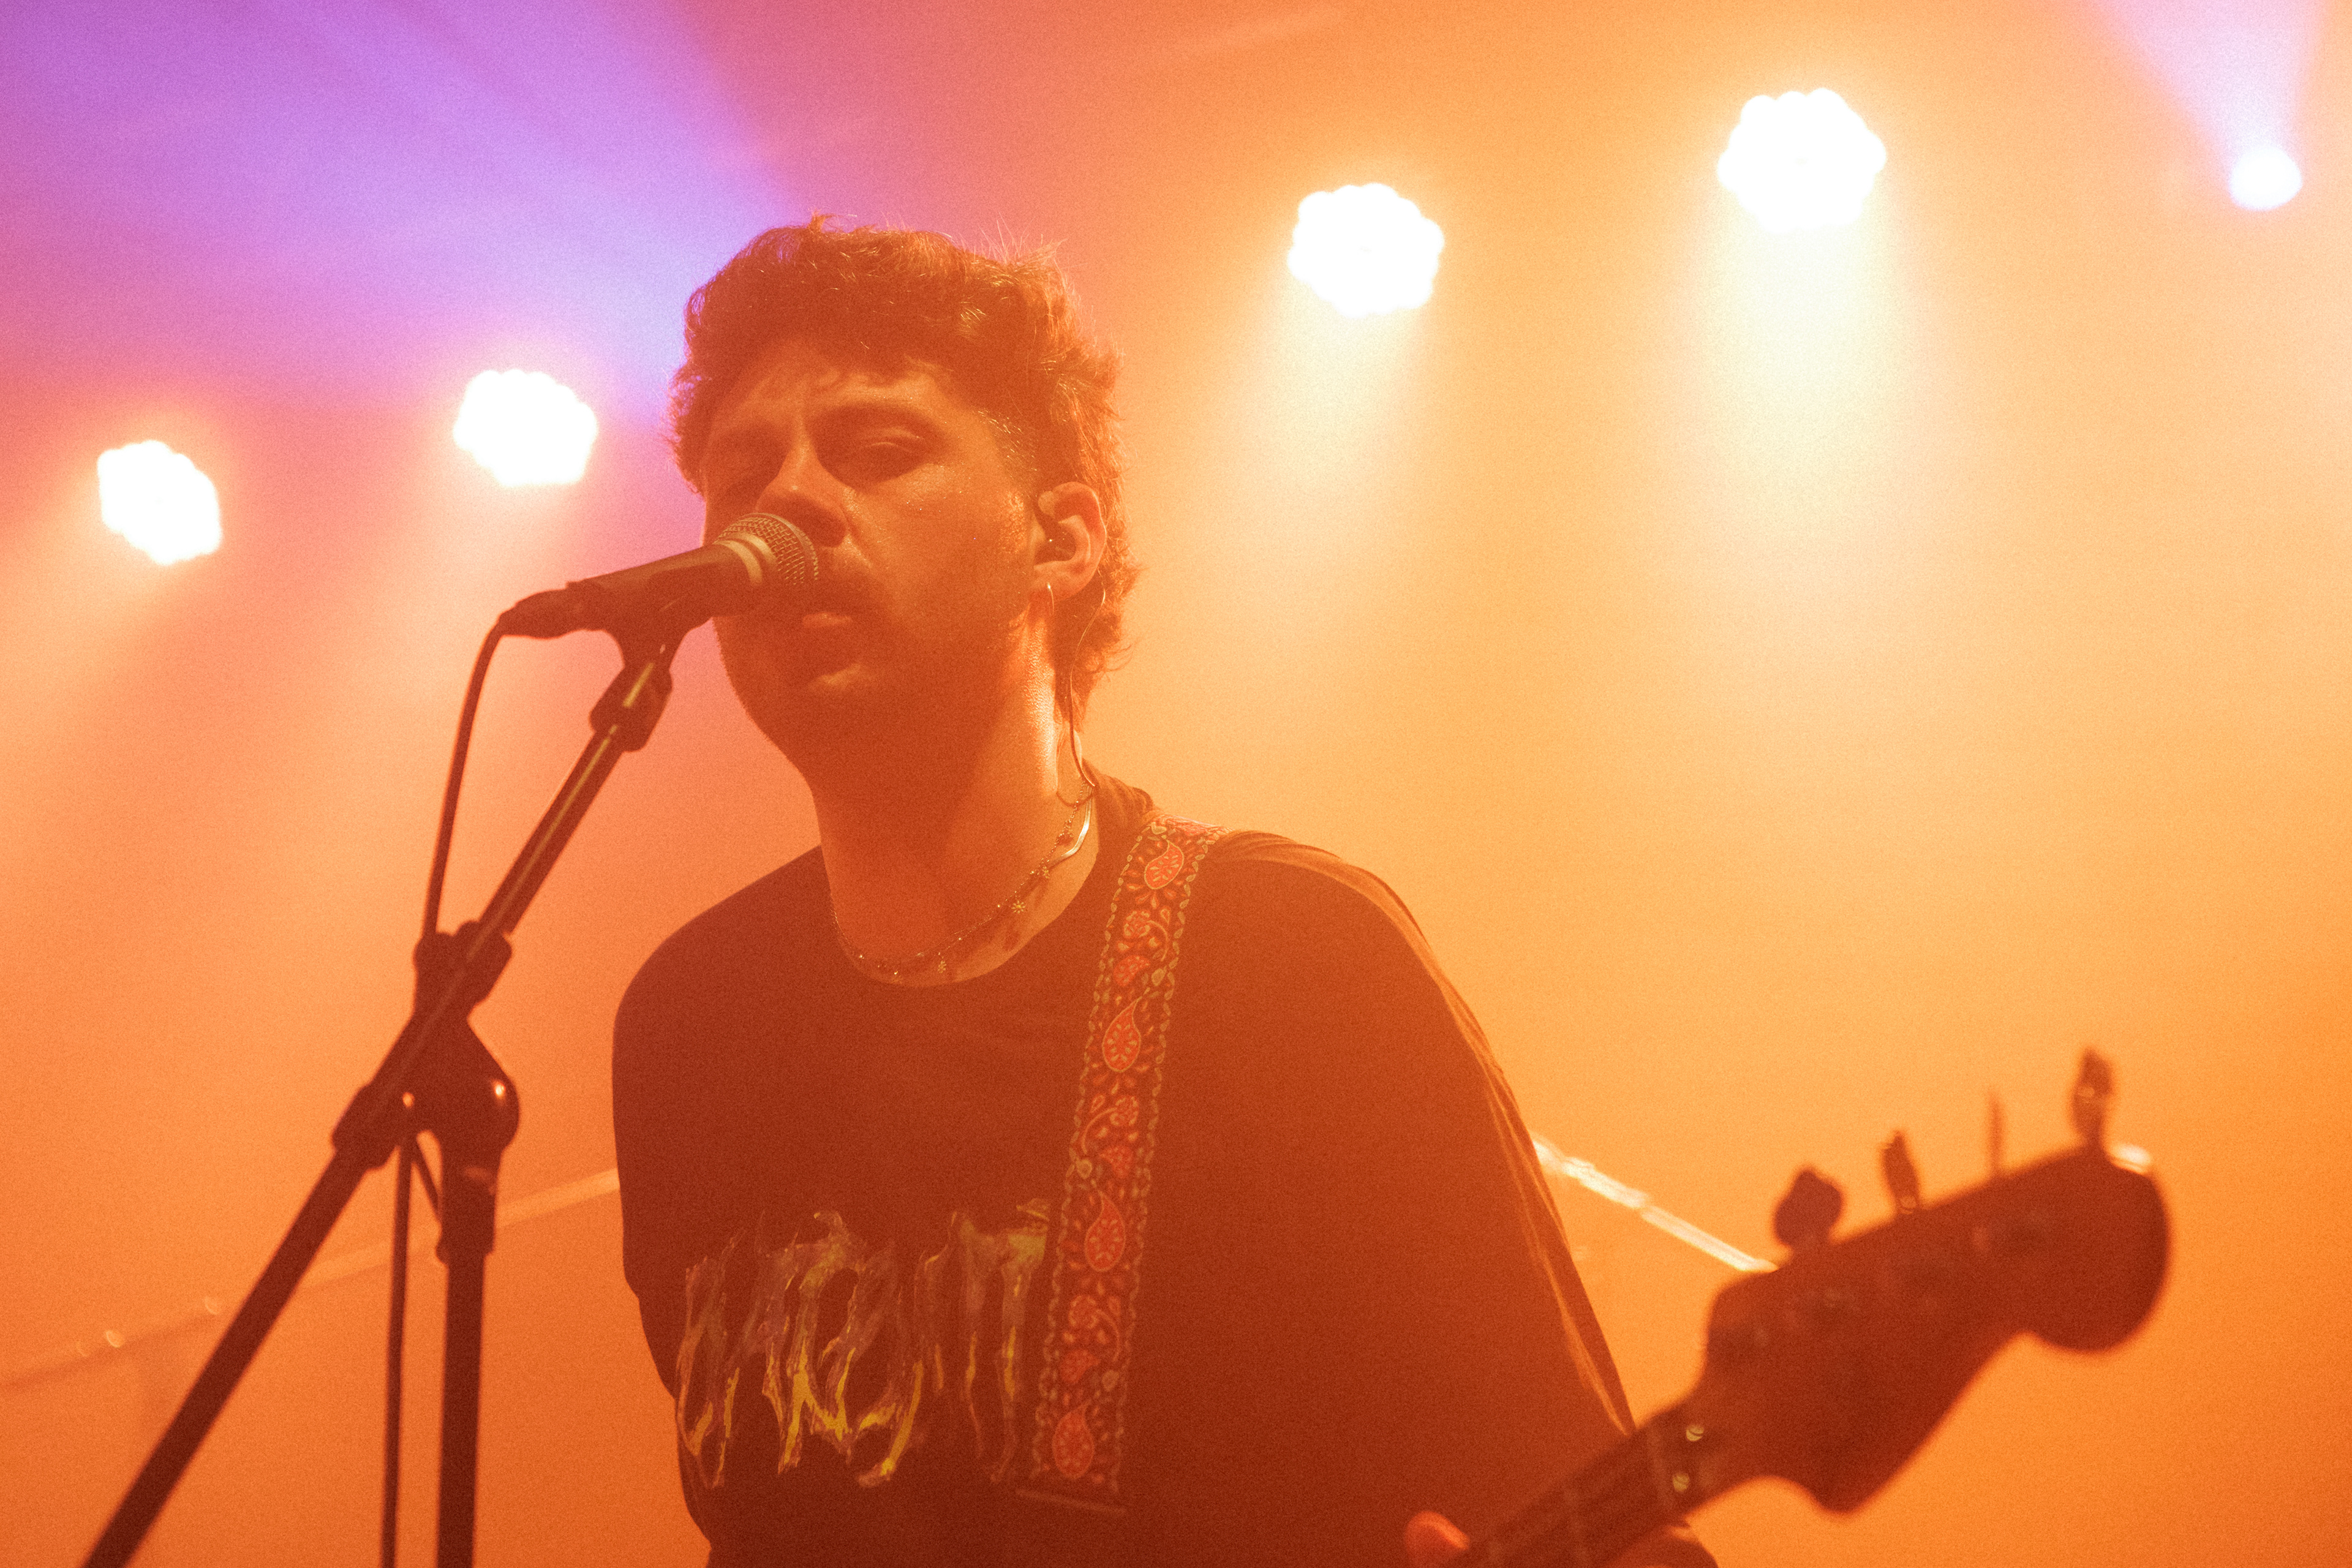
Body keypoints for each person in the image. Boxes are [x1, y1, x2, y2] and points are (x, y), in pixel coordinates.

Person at [612, 219, 1713, 1568]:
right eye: (742, 477)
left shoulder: (1291, 964)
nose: (789, 503)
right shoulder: (691, 1021)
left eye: (878, 450)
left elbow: (1591, 1505)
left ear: (1061, 537)